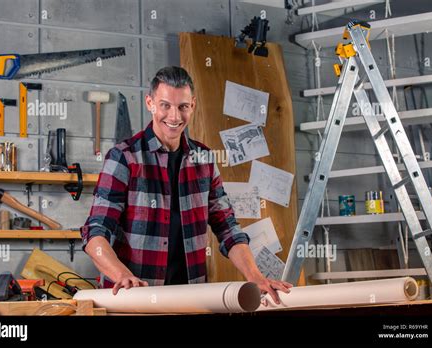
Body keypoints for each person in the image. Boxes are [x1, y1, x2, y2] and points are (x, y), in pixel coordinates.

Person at [80, 66, 292, 304]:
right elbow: (96, 231)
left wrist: (255, 277)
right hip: (133, 298)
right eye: (165, 105)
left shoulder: (204, 159)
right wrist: (122, 275)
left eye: (182, 107)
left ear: (192, 105)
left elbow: (227, 227)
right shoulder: (123, 158)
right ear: (150, 103)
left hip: (190, 298)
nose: (174, 117)